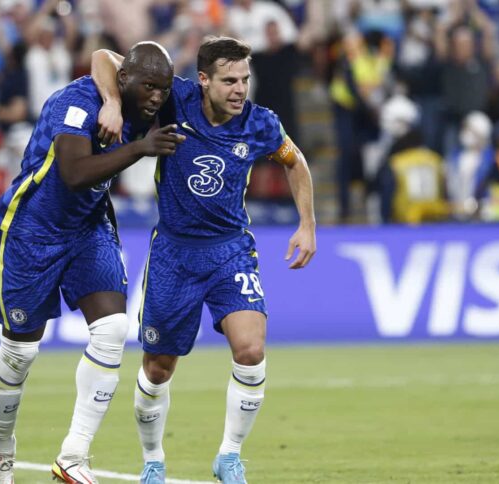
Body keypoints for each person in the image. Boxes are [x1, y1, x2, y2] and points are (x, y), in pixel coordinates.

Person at [91, 36, 316, 484]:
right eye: (229, 80)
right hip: (174, 253)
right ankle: (153, 460)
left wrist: (307, 223)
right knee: (157, 368)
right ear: (203, 81)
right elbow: (103, 59)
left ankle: (229, 456)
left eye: (245, 79)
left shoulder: (260, 124)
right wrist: (113, 103)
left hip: (230, 248)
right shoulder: (174, 99)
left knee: (251, 350)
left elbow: (295, 162)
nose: (239, 89)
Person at [0, 41, 185, 484]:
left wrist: (119, 101)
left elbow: (107, 55)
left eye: (163, 88)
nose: (157, 97)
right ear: (127, 79)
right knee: (19, 352)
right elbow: (74, 174)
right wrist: (139, 147)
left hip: (88, 228)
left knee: (112, 330)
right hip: (31, 230)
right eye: (148, 87)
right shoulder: (75, 103)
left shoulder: (139, 94)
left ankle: (73, 456)